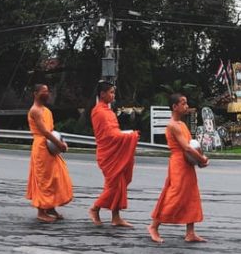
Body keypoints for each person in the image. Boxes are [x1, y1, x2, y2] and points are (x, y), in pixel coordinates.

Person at [148, 93, 209, 243]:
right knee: (175, 196)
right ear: (175, 107)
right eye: (183, 103)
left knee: (191, 195)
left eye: (186, 103)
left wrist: (199, 159)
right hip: (178, 163)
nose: (186, 106)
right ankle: (154, 226)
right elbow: (186, 148)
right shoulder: (172, 125)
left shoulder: (182, 124)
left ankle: (190, 232)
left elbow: (192, 146)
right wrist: (201, 159)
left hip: (187, 163)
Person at [89, 80, 139, 227]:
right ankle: (95, 208)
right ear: (102, 94)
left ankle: (116, 217)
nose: (113, 95)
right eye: (111, 92)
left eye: (113, 92)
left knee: (119, 183)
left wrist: (125, 135)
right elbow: (109, 135)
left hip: (113, 152)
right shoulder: (99, 111)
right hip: (107, 152)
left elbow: (114, 132)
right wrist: (130, 136)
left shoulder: (108, 111)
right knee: (114, 185)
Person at [26, 84, 73, 223]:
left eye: (48, 91)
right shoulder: (35, 110)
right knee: (43, 180)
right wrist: (59, 144)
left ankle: (50, 206)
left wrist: (60, 142)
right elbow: (44, 132)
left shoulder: (46, 110)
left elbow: (52, 131)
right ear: (35, 93)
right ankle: (41, 211)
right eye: (43, 92)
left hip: (50, 147)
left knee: (55, 177)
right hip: (41, 147)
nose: (47, 94)